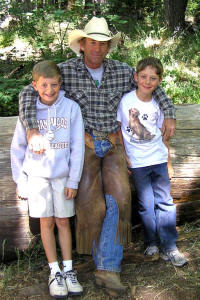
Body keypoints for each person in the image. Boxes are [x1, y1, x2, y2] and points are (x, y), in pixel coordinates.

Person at [18, 17, 176, 296]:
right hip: (84, 145)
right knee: (90, 200)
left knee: (120, 197)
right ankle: (88, 258)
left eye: (103, 44)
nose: (98, 49)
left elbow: (151, 85)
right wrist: (31, 128)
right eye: (93, 43)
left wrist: (170, 114)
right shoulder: (66, 70)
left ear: (108, 47)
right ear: (82, 44)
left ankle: (107, 269)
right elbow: (27, 94)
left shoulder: (122, 71)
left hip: (114, 144)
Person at [11, 61, 85, 298]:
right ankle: (55, 271)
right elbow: (18, 147)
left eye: (54, 85)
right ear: (35, 85)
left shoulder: (71, 108)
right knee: (46, 223)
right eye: (44, 85)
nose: (50, 90)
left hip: (63, 178)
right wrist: (21, 180)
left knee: (63, 222)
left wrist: (73, 180)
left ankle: (69, 269)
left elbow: (77, 147)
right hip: (38, 178)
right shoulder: (29, 110)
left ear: (60, 83)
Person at [117, 57, 187, 267]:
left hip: (157, 158)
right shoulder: (126, 101)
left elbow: (163, 134)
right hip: (138, 162)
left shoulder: (158, 103)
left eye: (153, 78)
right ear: (135, 77)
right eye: (144, 77)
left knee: (165, 202)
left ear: (159, 81)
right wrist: (123, 154)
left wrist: (168, 160)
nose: (147, 81)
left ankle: (170, 245)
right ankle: (152, 242)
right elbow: (120, 129)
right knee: (146, 204)